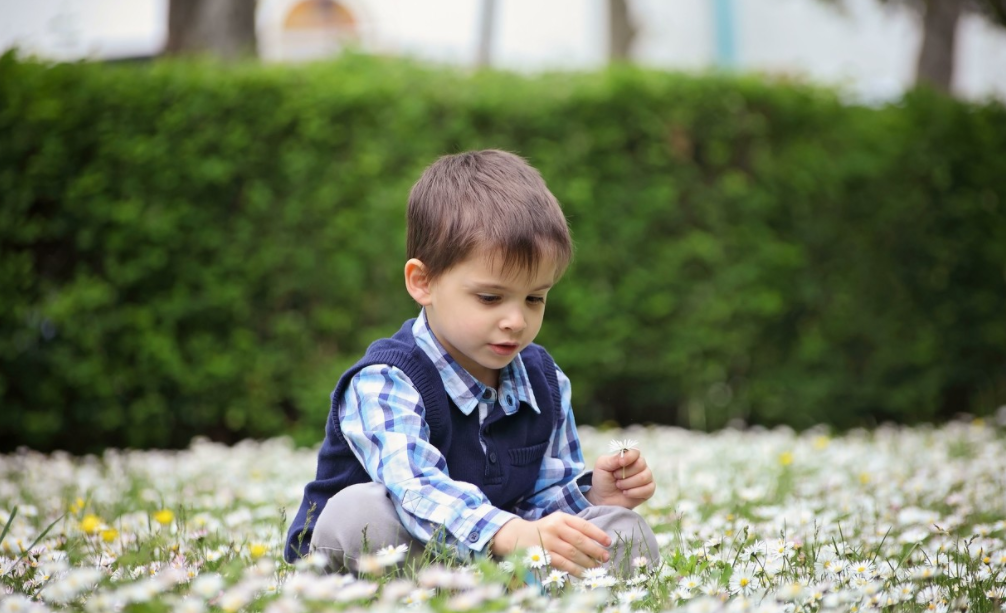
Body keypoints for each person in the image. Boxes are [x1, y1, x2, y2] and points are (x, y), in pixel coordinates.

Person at [284, 150, 658, 577]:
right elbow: (416, 489)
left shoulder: (545, 380)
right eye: (490, 298)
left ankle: (496, 590)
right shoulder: (386, 380)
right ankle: (481, 592)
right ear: (422, 282)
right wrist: (511, 534)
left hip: (496, 555)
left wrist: (593, 499)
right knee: (360, 512)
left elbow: (539, 506)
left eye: (535, 298)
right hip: (401, 551)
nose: (516, 320)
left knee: (623, 532)